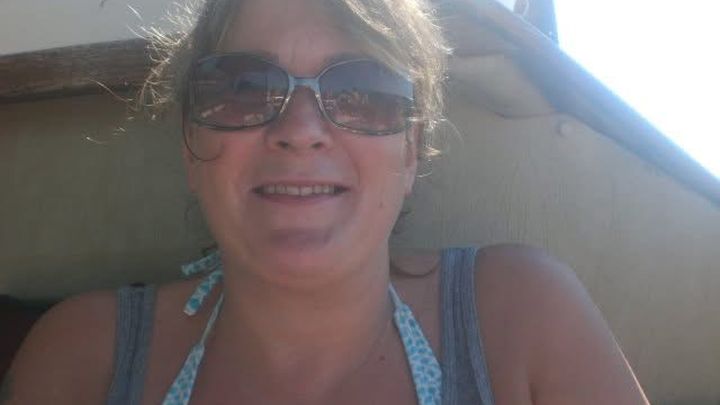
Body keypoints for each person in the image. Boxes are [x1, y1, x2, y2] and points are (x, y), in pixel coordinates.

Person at [5, 0, 650, 403]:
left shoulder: (524, 318)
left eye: (363, 92)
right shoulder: (84, 356)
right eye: (244, 87)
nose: (301, 130)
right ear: (190, 146)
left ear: (410, 152)